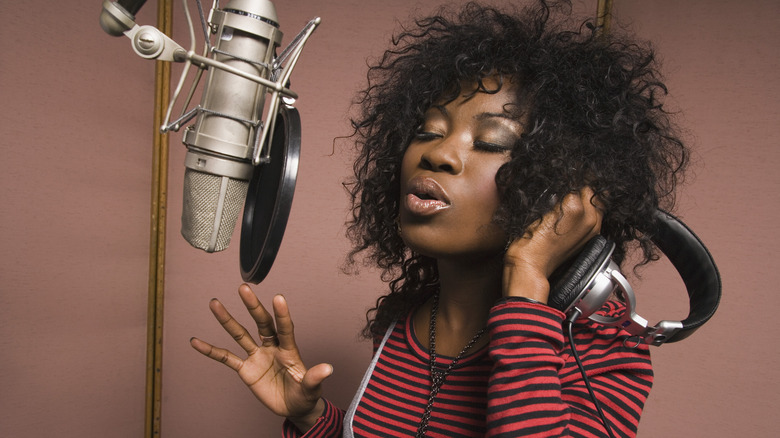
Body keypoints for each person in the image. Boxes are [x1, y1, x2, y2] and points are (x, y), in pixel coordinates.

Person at [189, 1, 688, 437]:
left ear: (560, 189)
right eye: (427, 132)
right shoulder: (406, 325)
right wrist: (313, 419)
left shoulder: (605, 352)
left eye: (491, 142)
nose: (439, 155)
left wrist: (527, 283)